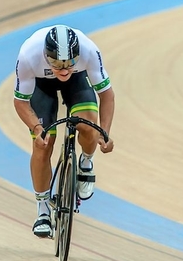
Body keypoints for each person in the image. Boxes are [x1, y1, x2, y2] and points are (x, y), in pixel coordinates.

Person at [13, 24, 115, 238]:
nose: (64, 69)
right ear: (45, 55)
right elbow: (20, 101)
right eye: (58, 64)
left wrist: (104, 132)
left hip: (78, 83)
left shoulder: (89, 50)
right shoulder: (28, 54)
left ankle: (86, 163)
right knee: (43, 141)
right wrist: (36, 126)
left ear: (78, 55)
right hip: (41, 85)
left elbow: (107, 95)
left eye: (70, 63)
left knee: (89, 127)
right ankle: (42, 210)